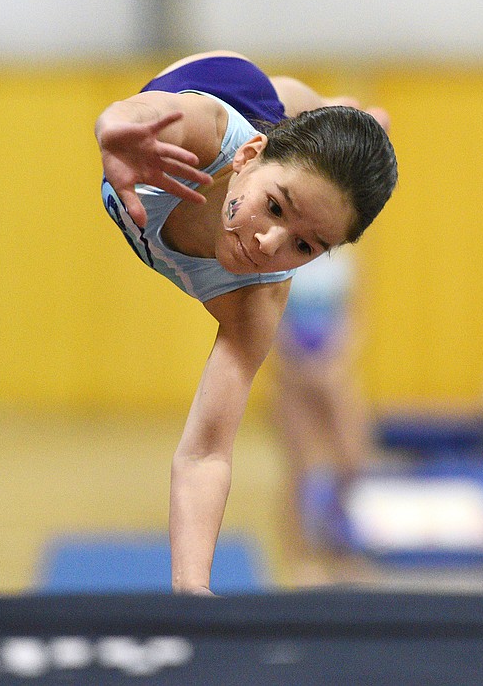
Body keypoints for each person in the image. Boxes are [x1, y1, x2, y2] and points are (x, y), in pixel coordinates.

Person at [95, 50, 397, 594]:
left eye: (305, 246)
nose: (266, 244)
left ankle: (351, 117)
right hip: (231, 83)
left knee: (311, 128)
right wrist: (113, 127)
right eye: (275, 208)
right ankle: (347, 112)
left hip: (277, 138)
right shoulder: (204, 137)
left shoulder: (256, 300)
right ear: (249, 157)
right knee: (290, 104)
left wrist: (193, 591)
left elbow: (207, 451)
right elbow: (135, 113)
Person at [271, 248, 370, 582]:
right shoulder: (282, 254)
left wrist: (335, 365)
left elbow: (354, 317)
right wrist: (299, 366)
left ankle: (337, 540)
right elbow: (271, 320)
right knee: (301, 469)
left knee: (352, 459)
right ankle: (300, 557)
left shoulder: (345, 256)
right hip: (292, 372)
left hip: (334, 369)